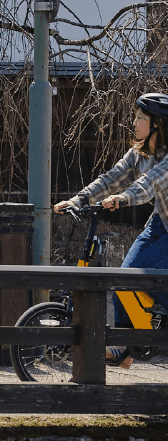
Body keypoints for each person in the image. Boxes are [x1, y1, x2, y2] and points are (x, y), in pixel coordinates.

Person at [55, 92, 168, 368]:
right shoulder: (138, 154)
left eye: (140, 118)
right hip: (161, 221)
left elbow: (150, 184)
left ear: (158, 125)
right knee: (124, 275)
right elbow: (111, 178)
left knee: (145, 276)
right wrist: (79, 199)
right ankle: (124, 349)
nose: (134, 122)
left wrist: (123, 198)